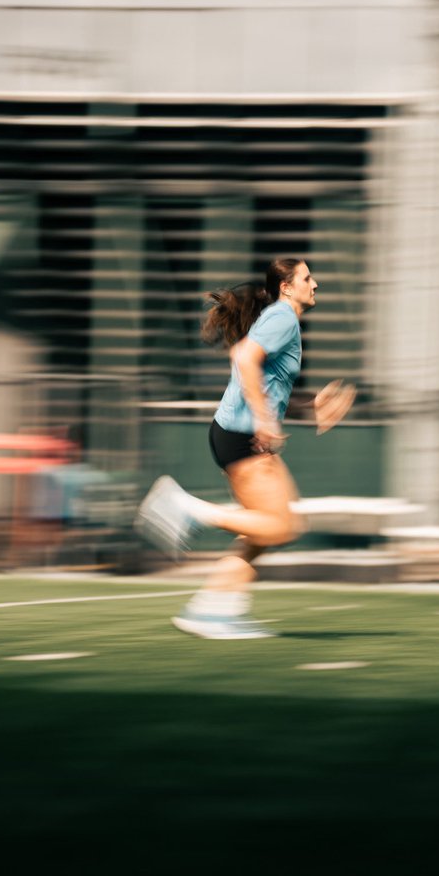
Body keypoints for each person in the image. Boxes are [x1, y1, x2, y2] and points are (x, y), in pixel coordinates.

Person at [135, 257, 356, 639]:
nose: (315, 284)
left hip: (236, 434)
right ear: (286, 286)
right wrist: (266, 422)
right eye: (307, 278)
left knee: (268, 531)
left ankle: (213, 610)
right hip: (243, 435)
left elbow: (268, 382)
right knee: (279, 526)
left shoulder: (282, 320)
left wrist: (309, 405)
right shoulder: (282, 318)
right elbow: (244, 359)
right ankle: (185, 507)